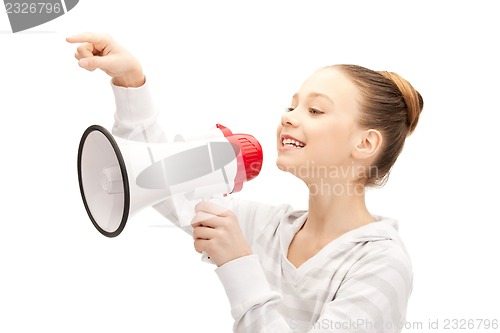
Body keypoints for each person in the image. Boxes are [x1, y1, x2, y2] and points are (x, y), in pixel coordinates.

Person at [67, 32, 423, 333]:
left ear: (365, 144)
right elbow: (161, 183)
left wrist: (239, 264)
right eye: (292, 106)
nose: (288, 118)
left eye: (315, 110)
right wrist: (131, 83)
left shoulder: (382, 263)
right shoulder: (265, 229)